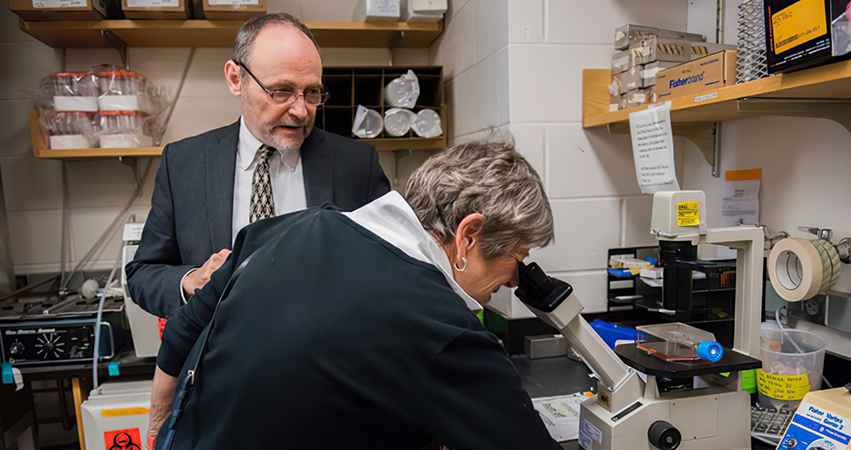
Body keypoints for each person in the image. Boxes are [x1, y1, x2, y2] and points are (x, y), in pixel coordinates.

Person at [145, 139, 561, 450]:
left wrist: (158, 433)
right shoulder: (442, 329)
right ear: (468, 235)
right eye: (517, 257)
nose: (513, 281)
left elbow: (182, 333)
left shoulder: (284, 228)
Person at [125, 13, 391, 318]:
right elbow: (143, 274)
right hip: (221, 358)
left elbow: (394, 263)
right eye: (282, 91)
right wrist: (192, 281)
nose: (301, 110)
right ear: (236, 79)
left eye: (312, 92)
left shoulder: (357, 164)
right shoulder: (184, 164)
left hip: (326, 357)